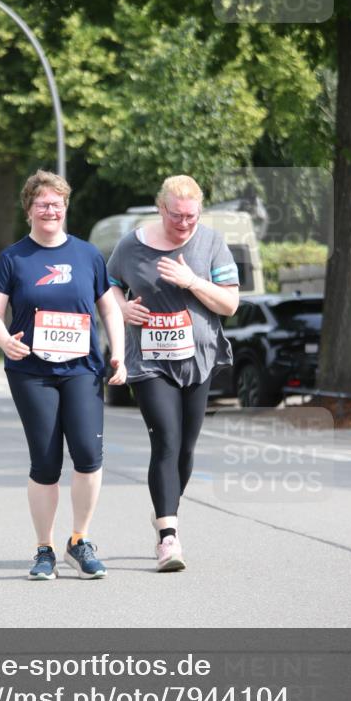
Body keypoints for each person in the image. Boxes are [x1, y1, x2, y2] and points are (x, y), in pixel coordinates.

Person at [0, 170, 126, 581]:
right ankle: (43, 548)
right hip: (31, 372)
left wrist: (119, 353)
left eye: (58, 203)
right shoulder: (14, 258)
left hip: (81, 368)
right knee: (46, 462)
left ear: (66, 208)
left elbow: (109, 309)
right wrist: (4, 341)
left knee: (87, 454)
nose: (52, 210)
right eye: (44, 203)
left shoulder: (87, 256)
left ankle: (79, 541)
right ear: (29, 208)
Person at [107, 175, 239, 572]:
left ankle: (166, 511)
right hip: (148, 360)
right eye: (177, 215)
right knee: (166, 438)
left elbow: (230, 304)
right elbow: (109, 285)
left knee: (185, 448)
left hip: (197, 358)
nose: (184, 223)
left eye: (192, 216)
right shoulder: (132, 245)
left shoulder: (212, 243)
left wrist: (193, 281)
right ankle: (168, 538)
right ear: (160, 207)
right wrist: (121, 309)